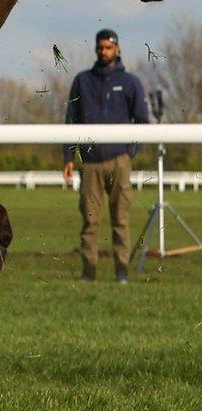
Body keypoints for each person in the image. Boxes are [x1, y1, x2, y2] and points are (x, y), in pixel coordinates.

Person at [63, 28, 151, 283]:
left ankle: (121, 272)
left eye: (109, 47)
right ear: (96, 49)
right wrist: (68, 157)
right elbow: (71, 121)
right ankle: (88, 274)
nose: (104, 52)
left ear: (117, 49)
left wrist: (130, 152)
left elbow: (142, 121)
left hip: (119, 161)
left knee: (120, 220)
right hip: (90, 163)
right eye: (101, 47)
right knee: (90, 222)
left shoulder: (131, 82)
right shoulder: (82, 80)